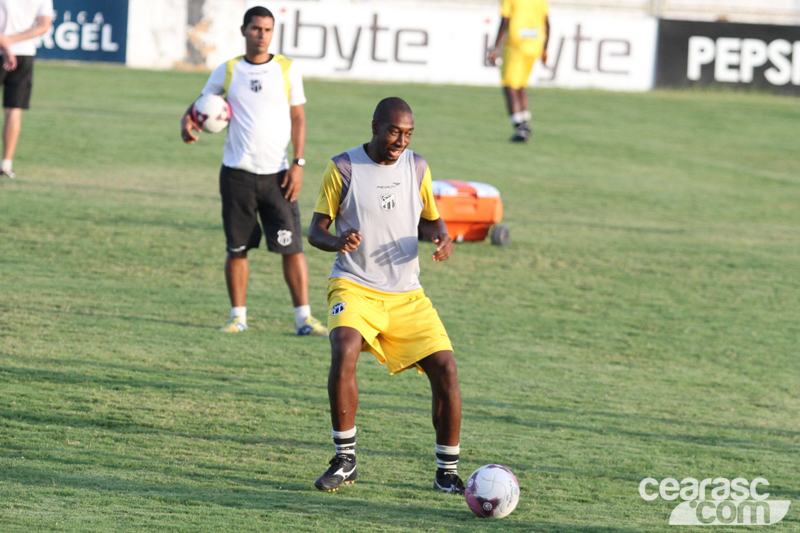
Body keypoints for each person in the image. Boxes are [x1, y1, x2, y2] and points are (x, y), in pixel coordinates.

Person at [308, 97, 464, 494]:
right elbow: (315, 231)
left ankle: (446, 473)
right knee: (344, 346)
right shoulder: (343, 167)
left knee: (446, 368)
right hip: (354, 283)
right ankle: (345, 459)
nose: (401, 141)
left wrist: (442, 237)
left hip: (406, 293)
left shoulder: (417, 167)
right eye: (394, 132)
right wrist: (337, 241)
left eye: (408, 134)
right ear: (375, 126)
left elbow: (430, 220)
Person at [180, 6, 327, 336]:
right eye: (256, 28)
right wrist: (185, 122)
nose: (262, 35)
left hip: (279, 176)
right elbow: (201, 105)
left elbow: (299, 118)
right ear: (244, 30)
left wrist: (299, 164)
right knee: (237, 249)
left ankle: (304, 318)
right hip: (237, 175)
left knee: (292, 247)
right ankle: (238, 318)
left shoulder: (287, 69)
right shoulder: (229, 70)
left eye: (267, 29)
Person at [0, 0, 53, 179]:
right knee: (13, 110)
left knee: (14, 109)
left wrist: (6, 43)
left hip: (5, 49)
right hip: (24, 52)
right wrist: (12, 41)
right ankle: (6, 164)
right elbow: (44, 25)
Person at [488, 0, 550, 142]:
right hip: (534, 44)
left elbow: (505, 20)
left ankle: (519, 127)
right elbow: (547, 22)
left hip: (515, 45)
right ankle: (524, 123)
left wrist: (495, 47)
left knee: (510, 86)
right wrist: (545, 48)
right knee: (521, 85)